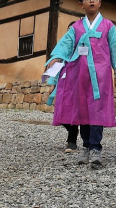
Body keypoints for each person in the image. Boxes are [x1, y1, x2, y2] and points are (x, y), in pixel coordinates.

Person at [45, 0, 116, 168]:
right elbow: (65, 44)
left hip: (101, 75)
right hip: (79, 75)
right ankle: (86, 146)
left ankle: (96, 147)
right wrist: (56, 57)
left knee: (97, 110)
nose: (91, 1)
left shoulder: (108, 26)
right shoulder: (76, 27)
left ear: (100, 3)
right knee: (83, 110)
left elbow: (115, 49)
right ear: (81, 5)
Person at [45, 20, 81, 152]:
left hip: (77, 83)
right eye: (69, 29)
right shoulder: (62, 53)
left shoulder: (82, 49)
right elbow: (56, 70)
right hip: (63, 83)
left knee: (73, 110)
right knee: (60, 111)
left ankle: (72, 141)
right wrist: (52, 84)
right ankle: (73, 132)